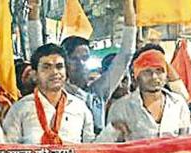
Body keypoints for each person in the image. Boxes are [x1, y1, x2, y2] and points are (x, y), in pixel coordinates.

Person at [28, 0, 136, 133]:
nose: (81, 64)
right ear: (64, 64)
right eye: (74, 58)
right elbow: (37, 53)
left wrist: (128, 5)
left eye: (85, 58)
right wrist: (35, 9)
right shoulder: (56, 90)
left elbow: (126, 54)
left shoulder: (98, 91)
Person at [3, 43, 94, 144]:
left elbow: (92, 150)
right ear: (34, 74)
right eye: (46, 67)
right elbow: (7, 151)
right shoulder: (20, 108)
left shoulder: (80, 107)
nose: (55, 72)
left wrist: (112, 129)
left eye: (59, 67)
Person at [95, 49, 191, 142]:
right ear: (136, 77)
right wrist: (112, 131)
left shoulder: (178, 104)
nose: (154, 77)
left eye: (159, 71)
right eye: (147, 72)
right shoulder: (121, 107)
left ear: (166, 76)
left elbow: (187, 141)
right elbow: (110, 148)